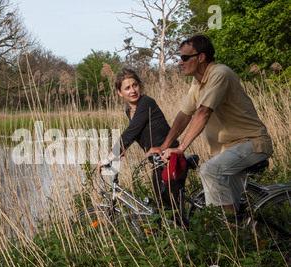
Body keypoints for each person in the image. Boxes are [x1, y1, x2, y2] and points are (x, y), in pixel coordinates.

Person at [147, 34, 273, 216]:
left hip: (251, 143)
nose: (180, 63)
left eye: (184, 58)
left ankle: (229, 236)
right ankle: (241, 233)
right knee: (233, 204)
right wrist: (164, 146)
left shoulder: (219, 73)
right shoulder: (197, 82)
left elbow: (203, 112)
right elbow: (184, 115)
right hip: (230, 149)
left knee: (210, 171)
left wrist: (181, 148)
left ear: (201, 57)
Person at [98, 68, 184, 210]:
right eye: (127, 88)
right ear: (120, 93)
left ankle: (184, 231)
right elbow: (135, 133)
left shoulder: (146, 102)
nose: (132, 90)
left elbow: (131, 131)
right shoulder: (129, 111)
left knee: (171, 209)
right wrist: (120, 151)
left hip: (170, 158)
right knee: (163, 207)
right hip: (157, 161)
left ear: (140, 85)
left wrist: (109, 156)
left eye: (135, 85)